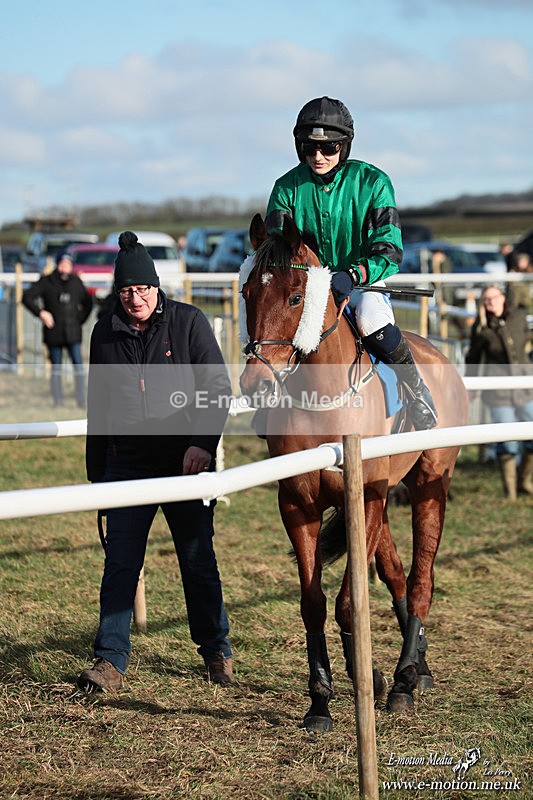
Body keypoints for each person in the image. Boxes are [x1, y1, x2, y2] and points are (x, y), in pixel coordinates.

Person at [77, 231, 235, 692]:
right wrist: (97, 478)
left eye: (143, 289)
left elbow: (217, 390)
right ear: (117, 291)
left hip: (184, 463)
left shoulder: (188, 322)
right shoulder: (103, 333)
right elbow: (97, 407)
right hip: (125, 465)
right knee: (121, 564)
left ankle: (215, 651)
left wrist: (202, 444)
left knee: (197, 559)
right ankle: (110, 660)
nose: (135, 298)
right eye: (126, 290)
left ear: (156, 287)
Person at [265, 96, 437, 431]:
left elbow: (389, 249)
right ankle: (267, 401)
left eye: (329, 148)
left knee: (372, 321)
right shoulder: (286, 188)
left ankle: (418, 393)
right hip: (308, 288)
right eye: (310, 148)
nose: (318, 156)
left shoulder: (374, 182)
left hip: (361, 282)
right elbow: (275, 250)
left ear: (345, 147)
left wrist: (352, 274)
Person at [465, 284, 533, 500]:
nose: (489, 301)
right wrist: (471, 387)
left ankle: (525, 481)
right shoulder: (482, 327)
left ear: (503, 298)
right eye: (485, 299)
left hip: (525, 387)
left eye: (493, 297)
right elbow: (473, 359)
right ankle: (510, 493)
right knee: (507, 441)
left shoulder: (519, 317)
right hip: (499, 392)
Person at [22, 251, 93, 407]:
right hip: (53, 333)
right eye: (62, 264)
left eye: (68, 264)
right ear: (57, 264)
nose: (64, 267)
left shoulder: (76, 282)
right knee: (56, 369)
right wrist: (41, 313)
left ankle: (81, 400)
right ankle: (58, 401)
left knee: (78, 367)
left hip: (73, 333)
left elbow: (88, 303)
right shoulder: (46, 282)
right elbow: (26, 297)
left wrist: (79, 320)